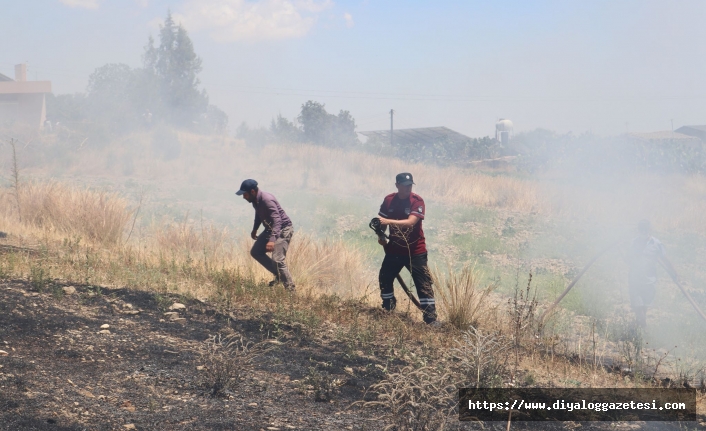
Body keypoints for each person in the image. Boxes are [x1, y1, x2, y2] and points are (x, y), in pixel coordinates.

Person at [376, 173, 438, 325]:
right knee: (385, 277)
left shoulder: (417, 201)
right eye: (404, 185)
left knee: (423, 283)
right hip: (394, 249)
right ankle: (388, 308)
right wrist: (381, 235)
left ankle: (430, 319)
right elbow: (381, 223)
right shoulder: (389, 200)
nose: (407, 188)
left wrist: (388, 221)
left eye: (410, 185)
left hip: (416, 251)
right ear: (397, 185)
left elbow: (411, 222)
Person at [236, 179, 295, 291]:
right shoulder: (255, 201)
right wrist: (255, 229)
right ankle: (279, 276)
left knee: (277, 260)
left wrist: (272, 240)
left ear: (252, 191)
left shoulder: (267, 200)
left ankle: (291, 290)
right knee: (256, 252)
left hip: (283, 229)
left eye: (245, 194)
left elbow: (277, 221)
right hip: (270, 228)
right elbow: (258, 215)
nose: (244, 197)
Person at [626, 219, 677, 327]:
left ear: (650, 230)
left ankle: (638, 331)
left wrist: (674, 273)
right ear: (638, 230)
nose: (644, 232)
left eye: (646, 229)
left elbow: (665, 259)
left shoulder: (656, 244)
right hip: (635, 282)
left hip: (649, 282)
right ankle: (643, 332)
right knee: (638, 307)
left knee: (643, 308)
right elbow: (628, 259)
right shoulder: (633, 243)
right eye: (641, 229)